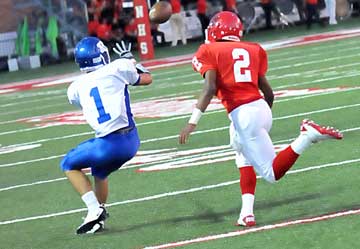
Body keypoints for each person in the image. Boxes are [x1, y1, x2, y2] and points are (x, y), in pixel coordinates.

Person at [179, 11, 343, 227]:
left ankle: (307, 136)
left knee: (271, 173)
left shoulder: (208, 49)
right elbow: (269, 93)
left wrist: (192, 122)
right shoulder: (253, 49)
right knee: (241, 154)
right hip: (259, 108)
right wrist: (260, 117)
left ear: (218, 29)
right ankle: (246, 213)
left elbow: (210, 87)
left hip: (243, 114)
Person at [60, 37, 152, 234]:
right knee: (99, 172)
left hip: (108, 144)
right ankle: (97, 220)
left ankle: (94, 210)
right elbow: (147, 78)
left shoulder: (74, 88)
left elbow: (84, 101)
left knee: (68, 163)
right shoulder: (119, 67)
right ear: (102, 55)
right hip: (131, 140)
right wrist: (132, 61)